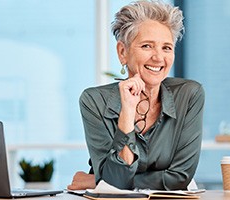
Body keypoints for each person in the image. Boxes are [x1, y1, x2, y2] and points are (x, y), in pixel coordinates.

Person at [68, 0, 204, 190]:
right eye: (147, 46)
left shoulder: (189, 95)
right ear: (122, 52)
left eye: (166, 47)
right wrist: (127, 114)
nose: (158, 57)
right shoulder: (94, 101)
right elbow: (115, 182)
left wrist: (96, 180)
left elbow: (180, 177)